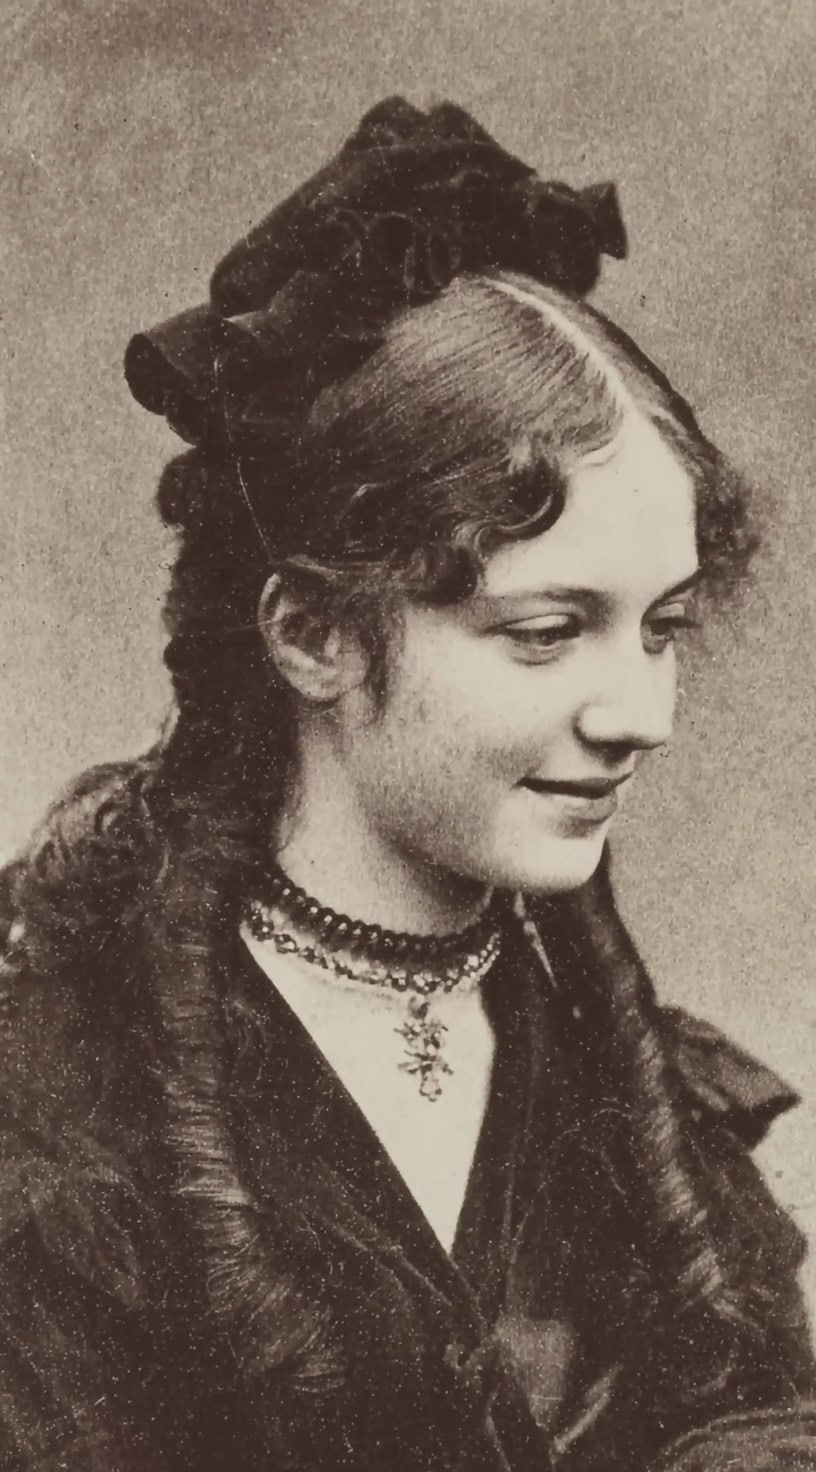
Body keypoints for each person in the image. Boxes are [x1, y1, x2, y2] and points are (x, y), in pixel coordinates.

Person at [0, 97, 813, 1472]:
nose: (643, 715)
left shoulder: (642, 1108)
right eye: (547, 632)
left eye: (662, 627)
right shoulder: (54, 1114)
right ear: (314, 635)